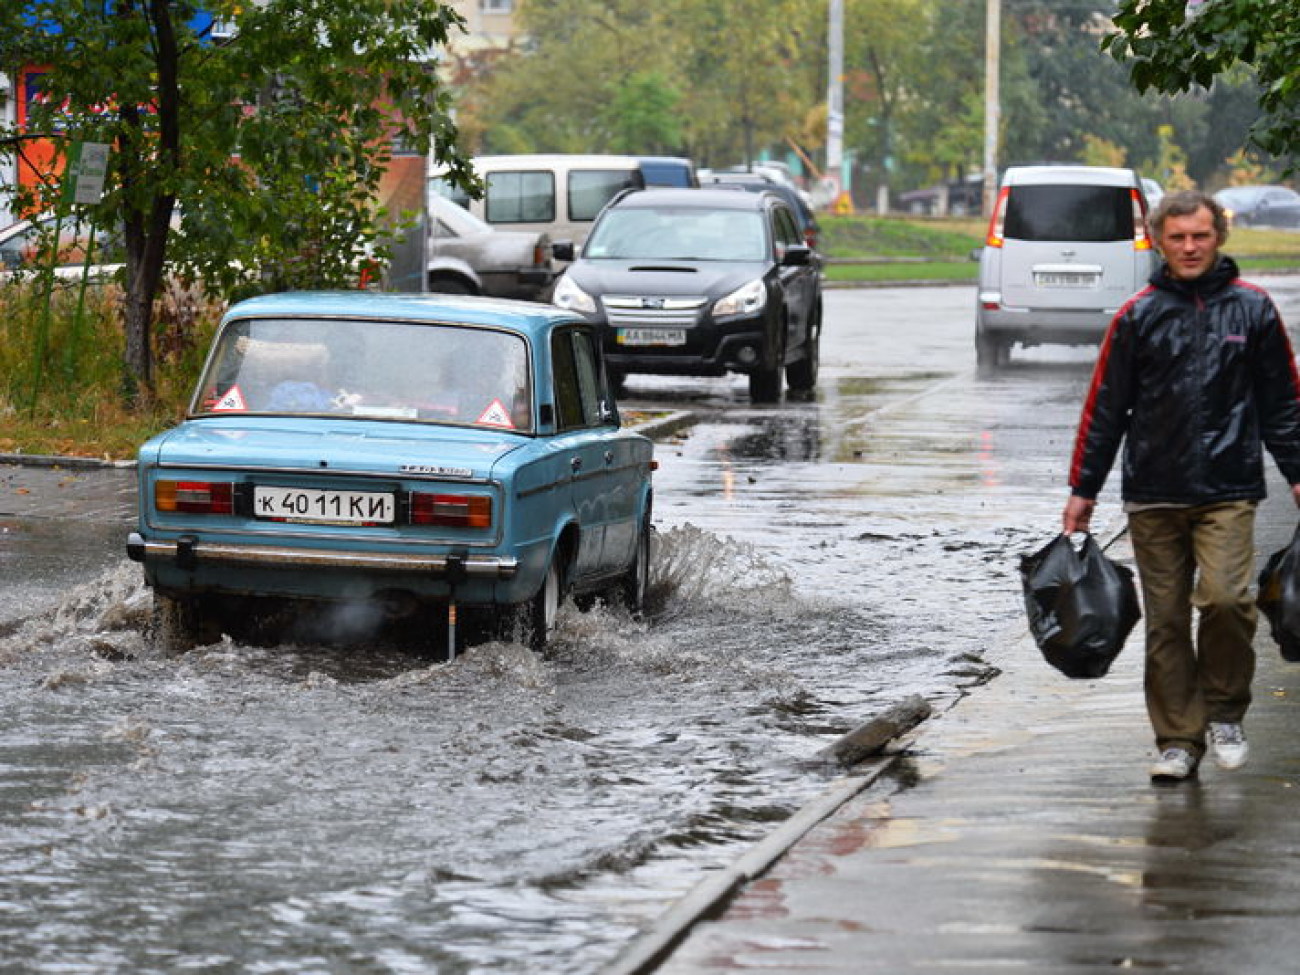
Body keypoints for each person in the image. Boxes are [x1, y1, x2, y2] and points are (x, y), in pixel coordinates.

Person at [1063, 189, 1300, 783]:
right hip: (1154, 494)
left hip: (1228, 487)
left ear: (1218, 236)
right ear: (1159, 241)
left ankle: (1224, 713)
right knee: (1166, 622)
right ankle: (1177, 740)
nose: (1190, 247)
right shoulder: (1138, 316)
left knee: (1225, 600)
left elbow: (1283, 404)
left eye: (1200, 235)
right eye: (1178, 237)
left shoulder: (1253, 310)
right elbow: (1105, 410)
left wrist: (1298, 473)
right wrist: (1083, 491)